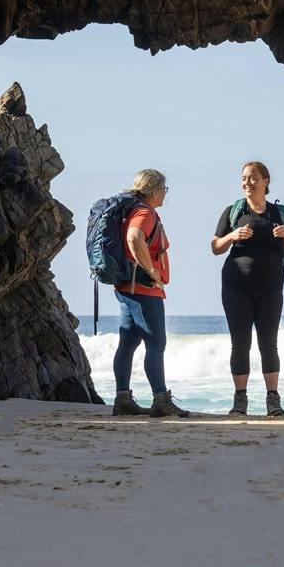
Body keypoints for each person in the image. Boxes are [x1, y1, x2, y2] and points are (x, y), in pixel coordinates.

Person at [210, 161, 284, 417]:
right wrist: (233, 236)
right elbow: (216, 247)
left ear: (265, 181)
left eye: (252, 178)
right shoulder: (233, 211)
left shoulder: (278, 213)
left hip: (271, 288)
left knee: (268, 343)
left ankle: (273, 400)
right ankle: (240, 400)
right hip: (235, 287)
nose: (247, 183)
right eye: (244, 178)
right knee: (240, 343)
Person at [111, 169, 190, 418]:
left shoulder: (135, 210)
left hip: (128, 288)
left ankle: (122, 398)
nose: (165, 195)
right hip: (144, 290)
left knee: (129, 343)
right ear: (155, 191)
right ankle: (160, 399)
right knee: (156, 344)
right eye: (164, 190)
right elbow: (135, 238)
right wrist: (152, 271)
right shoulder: (145, 212)